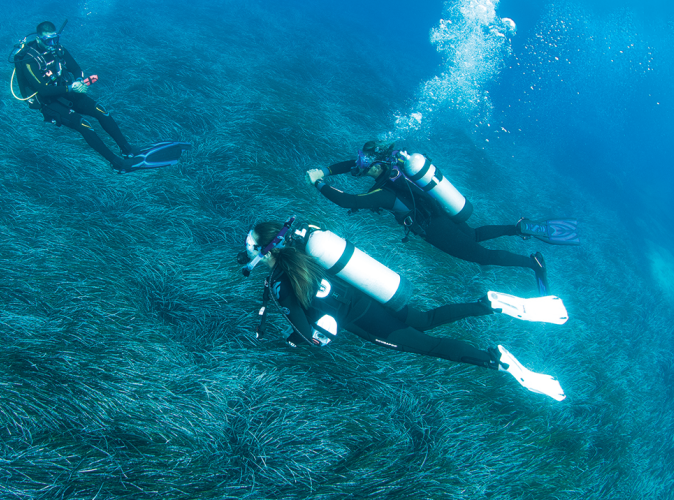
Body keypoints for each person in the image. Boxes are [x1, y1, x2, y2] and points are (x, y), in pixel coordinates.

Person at [238, 220, 567, 401]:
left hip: (365, 321)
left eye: (251, 246)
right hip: (372, 298)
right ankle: (488, 304)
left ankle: (496, 359)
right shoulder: (300, 250)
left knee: (431, 347)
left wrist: (304, 338)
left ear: (266, 250)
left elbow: (308, 335)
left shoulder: (281, 284)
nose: (247, 252)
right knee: (425, 320)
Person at [306, 141, 579, 295]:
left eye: (363, 165)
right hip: (440, 210)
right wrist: (326, 170)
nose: (359, 167)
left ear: (375, 165)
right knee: (472, 235)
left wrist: (318, 183)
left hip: (433, 228)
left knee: (481, 256)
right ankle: (517, 227)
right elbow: (351, 165)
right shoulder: (398, 166)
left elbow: (348, 201)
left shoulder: (383, 194)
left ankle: (533, 263)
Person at [12, 21, 188, 173]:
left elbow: (75, 68)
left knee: (101, 111)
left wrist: (79, 81)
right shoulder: (28, 60)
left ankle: (128, 150)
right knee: (84, 125)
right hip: (49, 101)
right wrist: (71, 87)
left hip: (66, 91)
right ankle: (118, 164)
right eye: (48, 40)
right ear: (38, 39)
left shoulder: (59, 49)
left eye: (55, 38)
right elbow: (43, 91)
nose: (53, 43)